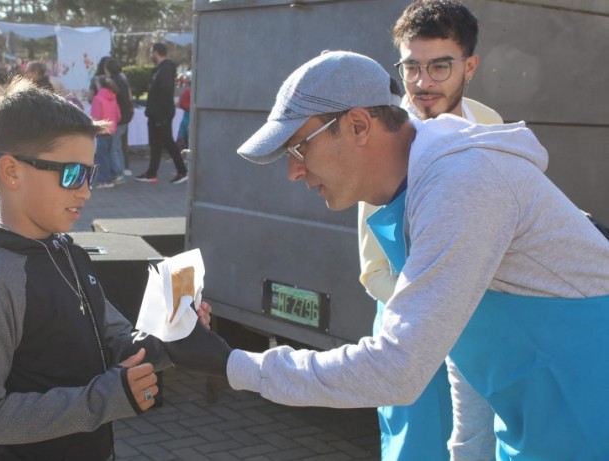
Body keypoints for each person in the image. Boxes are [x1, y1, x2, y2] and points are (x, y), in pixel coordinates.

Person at [164, 50, 609, 461]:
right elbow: (464, 346)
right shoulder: (423, 184)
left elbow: (397, 368)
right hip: (551, 430)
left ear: (359, 125)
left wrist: (232, 363)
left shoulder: (460, 182)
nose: (294, 170)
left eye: (299, 146)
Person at [0, 77, 211, 460]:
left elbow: (117, 341)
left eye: (90, 173)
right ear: (12, 172)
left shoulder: (69, 251)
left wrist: (176, 337)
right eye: (72, 174)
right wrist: (104, 398)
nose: (85, 190)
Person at [357, 2, 503, 459]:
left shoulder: (493, 126)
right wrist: (430, 315)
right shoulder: (383, 141)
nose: (422, 82)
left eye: (440, 66)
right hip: (409, 332)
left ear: (470, 65)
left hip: (485, 329)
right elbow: (372, 270)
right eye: (411, 67)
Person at [135, 43, 188, 184]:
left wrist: (160, 114)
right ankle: (151, 173)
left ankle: (182, 171)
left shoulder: (166, 69)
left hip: (161, 114)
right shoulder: (158, 69)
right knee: (155, 143)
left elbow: (165, 92)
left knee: (168, 142)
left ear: (157, 52)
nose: (150, 55)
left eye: (152, 52)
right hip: (154, 113)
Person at [89, 75, 122, 189]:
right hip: (111, 130)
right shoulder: (113, 97)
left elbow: (96, 117)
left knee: (101, 157)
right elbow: (118, 116)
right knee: (108, 155)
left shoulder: (97, 99)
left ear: (100, 85)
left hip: (101, 131)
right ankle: (114, 175)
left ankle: (104, 180)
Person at [105, 57, 135, 180]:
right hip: (125, 117)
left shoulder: (112, 82)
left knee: (114, 148)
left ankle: (118, 173)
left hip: (118, 118)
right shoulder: (123, 80)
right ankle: (120, 170)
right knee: (117, 146)